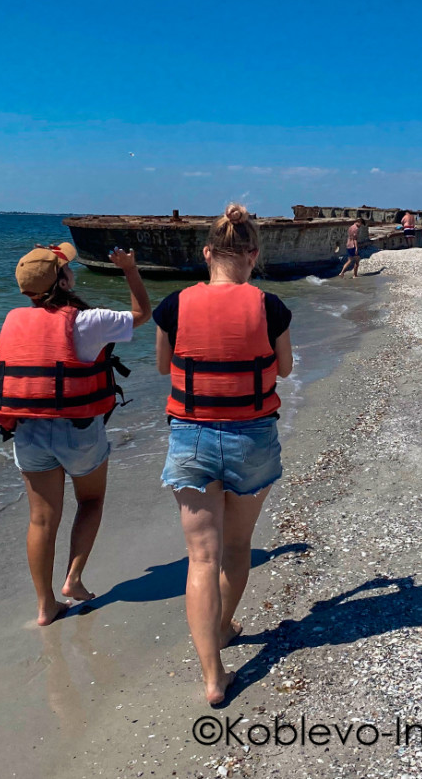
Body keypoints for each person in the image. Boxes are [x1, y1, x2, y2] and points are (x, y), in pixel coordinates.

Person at [152, 203, 294, 705]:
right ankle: (226, 627)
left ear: (207, 252)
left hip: (190, 437)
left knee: (201, 557)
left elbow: (163, 364)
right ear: (253, 255)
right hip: (251, 435)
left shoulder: (172, 304)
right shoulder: (271, 305)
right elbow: (286, 368)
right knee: (236, 547)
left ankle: (213, 676)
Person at [0, 242, 151, 626]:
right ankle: (73, 579)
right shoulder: (86, 321)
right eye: (68, 269)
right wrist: (129, 269)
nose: (72, 272)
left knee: (41, 520)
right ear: (63, 280)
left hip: (28, 431)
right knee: (90, 501)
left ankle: (45, 606)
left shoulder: (12, 320)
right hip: (77, 430)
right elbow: (143, 313)